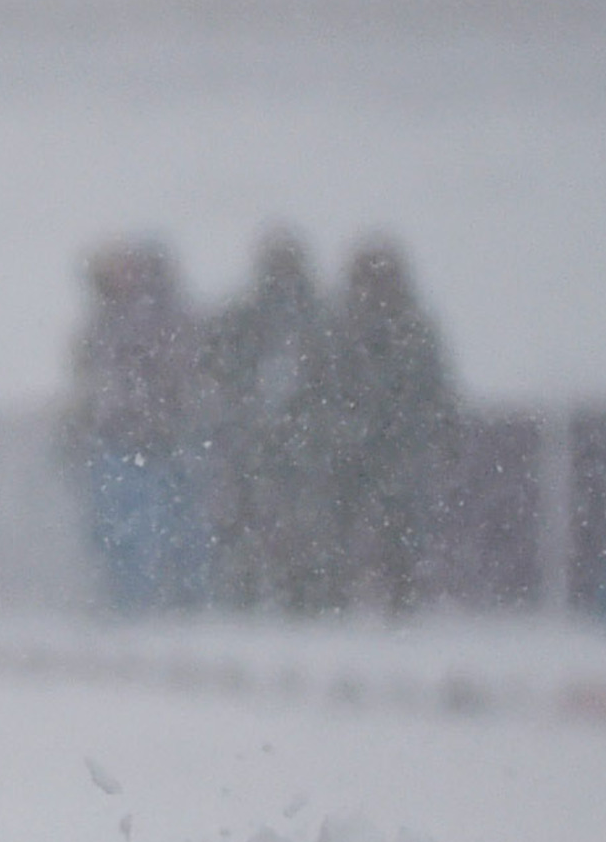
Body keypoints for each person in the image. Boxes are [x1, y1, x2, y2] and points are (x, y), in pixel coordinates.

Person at [205, 231, 340, 613]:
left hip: (301, 439)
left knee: (304, 521)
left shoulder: (320, 319)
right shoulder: (246, 319)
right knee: (252, 518)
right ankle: (250, 591)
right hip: (260, 439)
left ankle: (304, 593)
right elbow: (218, 368)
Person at [70, 241, 205, 612]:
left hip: (150, 440)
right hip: (126, 438)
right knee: (124, 529)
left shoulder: (152, 321)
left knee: (146, 530)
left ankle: (144, 603)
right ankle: (135, 602)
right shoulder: (112, 320)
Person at [325, 238, 457, 615]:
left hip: (397, 448)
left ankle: (400, 596)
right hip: (358, 447)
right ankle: (342, 592)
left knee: (400, 527)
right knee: (349, 522)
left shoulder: (412, 331)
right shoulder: (341, 330)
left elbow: (435, 392)